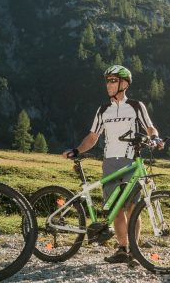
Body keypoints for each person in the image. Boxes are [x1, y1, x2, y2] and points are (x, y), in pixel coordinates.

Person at [62, 65, 164, 264]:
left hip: (131, 162)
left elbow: (150, 128)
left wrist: (156, 138)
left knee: (132, 208)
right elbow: (93, 137)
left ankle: (134, 251)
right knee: (115, 210)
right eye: (107, 81)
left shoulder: (135, 106)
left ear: (124, 84)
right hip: (109, 163)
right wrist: (77, 150)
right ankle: (122, 249)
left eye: (113, 80)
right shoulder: (103, 110)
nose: (108, 84)